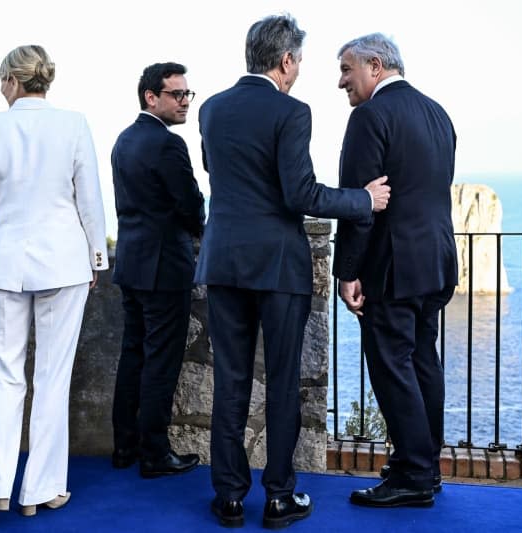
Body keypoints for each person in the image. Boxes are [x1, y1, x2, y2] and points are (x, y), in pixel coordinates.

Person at [196, 14, 391, 529]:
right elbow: (299, 194)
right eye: (300, 61)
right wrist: (362, 200)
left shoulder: (212, 109)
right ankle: (279, 497)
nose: (300, 71)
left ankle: (229, 498)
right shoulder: (292, 111)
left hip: (222, 262)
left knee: (230, 383)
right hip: (279, 266)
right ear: (285, 61)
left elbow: (216, 171)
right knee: (282, 384)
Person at [0, 45, 107, 517]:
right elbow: (90, 200)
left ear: (11, 80)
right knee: (51, 378)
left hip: (4, 261)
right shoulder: (74, 124)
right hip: (64, 262)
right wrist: (96, 259)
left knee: (2, 375)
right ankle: (40, 491)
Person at [333, 33, 457, 508]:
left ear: (376, 66)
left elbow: (360, 202)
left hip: (392, 266)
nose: (340, 80)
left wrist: (348, 272)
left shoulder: (369, 117)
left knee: (390, 366)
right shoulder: (436, 113)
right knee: (423, 359)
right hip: (437, 261)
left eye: (347, 69)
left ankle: (412, 474)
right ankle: (426, 465)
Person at [109, 62, 205, 478]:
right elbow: (190, 205)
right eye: (177, 94)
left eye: (188, 95)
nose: (185, 102)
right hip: (164, 267)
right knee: (161, 361)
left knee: (133, 355)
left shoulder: (123, 140)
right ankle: (155, 453)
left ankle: (124, 446)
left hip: (131, 263)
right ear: (152, 96)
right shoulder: (167, 144)